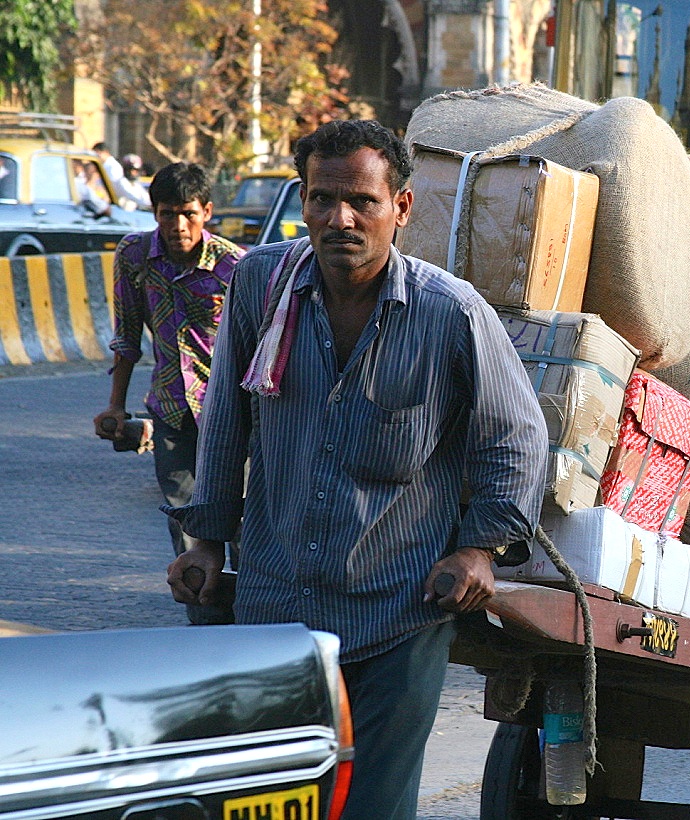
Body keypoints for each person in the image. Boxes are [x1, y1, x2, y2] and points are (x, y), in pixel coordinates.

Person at [163, 119, 549, 819]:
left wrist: (477, 548)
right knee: (270, 803)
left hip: (397, 614)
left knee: (371, 807)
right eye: (321, 199)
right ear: (304, 200)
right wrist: (207, 544)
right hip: (275, 607)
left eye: (362, 202)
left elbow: (516, 439)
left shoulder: (449, 314)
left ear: (401, 208)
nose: (339, 218)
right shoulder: (260, 284)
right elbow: (225, 423)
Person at [94, 162, 244, 625]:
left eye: (187, 214)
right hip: (171, 411)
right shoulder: (135, 255)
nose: (178, 226)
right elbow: (126, 335)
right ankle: (204, 615)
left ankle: (255, 614)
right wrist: (117, 405)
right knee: (185, 518)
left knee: (239, 517)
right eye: (165, 214)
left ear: (207, 212)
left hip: (231, 413)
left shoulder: (233, 265)